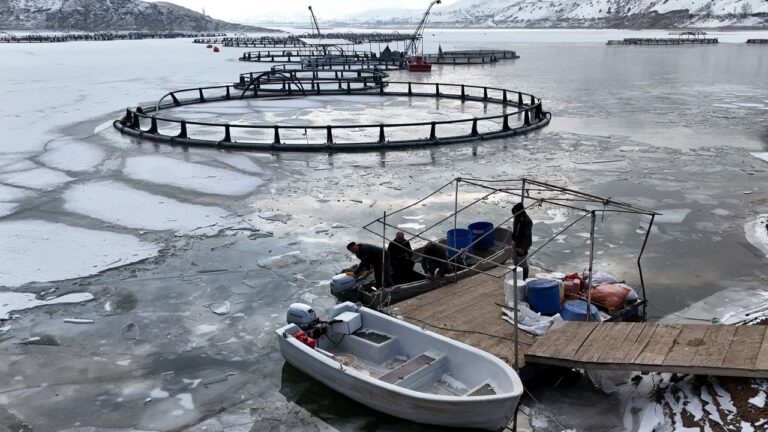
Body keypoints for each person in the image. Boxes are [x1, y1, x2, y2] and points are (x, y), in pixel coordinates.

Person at [512, 202, 533, 279]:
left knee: (522, 263)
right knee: (515, 260)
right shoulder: (517, 218)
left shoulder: (527, 220)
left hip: (522, 245)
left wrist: (523, 248)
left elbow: (527, 236)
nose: (515, 213)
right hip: (516, 242)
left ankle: (524, 278)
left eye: (516, 211)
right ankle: (517, 277)